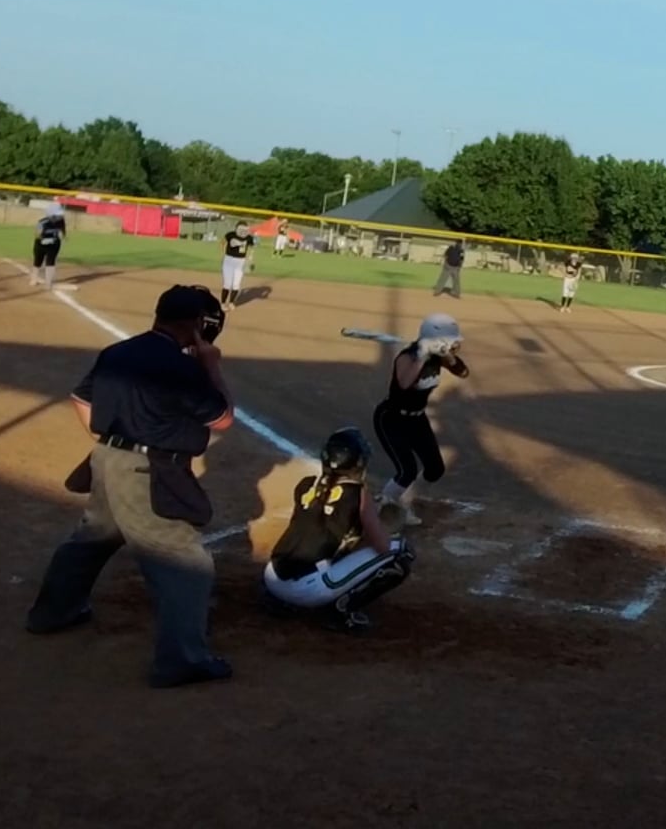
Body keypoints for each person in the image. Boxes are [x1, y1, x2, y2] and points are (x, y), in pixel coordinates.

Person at [24, 284, 237, 689]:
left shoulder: (118, 352)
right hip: (147, 471)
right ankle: (182, 661)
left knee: (91, 539)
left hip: (105, 460)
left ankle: (52, 614)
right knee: (185, 563)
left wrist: (111, 441)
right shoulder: (182, 367)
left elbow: (80, 399)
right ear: (196, 324)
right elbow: (222, 418)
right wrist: (211, 365)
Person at [263, 427, 414, 632]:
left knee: (319, 542)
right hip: (307, 590)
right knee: (401, 551)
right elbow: (383, 546)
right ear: (358, 463)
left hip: (272, 578)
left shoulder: (306, 485)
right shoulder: (359, 494)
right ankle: (342, 610)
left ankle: (276, 600)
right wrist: (376, 522)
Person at [373, 313, 470, 526]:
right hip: (391, 419)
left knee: (435, 469)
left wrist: (448, 357)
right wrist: (423, 356)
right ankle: (384, 507)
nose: (453, 344)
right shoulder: (407, 357)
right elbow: (404, 383)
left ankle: (403, 502)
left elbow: (463, 372)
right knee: (406, 470)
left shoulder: (439, 357)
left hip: (417, 419)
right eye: (449, 340)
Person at [29, 200, 67, 290]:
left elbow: (63, 229)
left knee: (51, 262)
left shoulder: (61, 221)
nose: (58, 217)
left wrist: (63, 236)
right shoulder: (42, 222)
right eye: (56, 215)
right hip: (41, 244)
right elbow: (37, 234)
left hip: (54, 244)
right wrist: (44, 240)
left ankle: (48, 282)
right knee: (38, 261)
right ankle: (34, 279)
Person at [218, 220, 255, 310]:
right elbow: (222, 242)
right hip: (229, 260)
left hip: (241, 261)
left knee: (236, 284)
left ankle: (231, 302)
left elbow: (251, 247)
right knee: (227, 284)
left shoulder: (249, 237)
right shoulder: (231, 235)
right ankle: (223, 303)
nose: (243, 231)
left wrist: (250, 258)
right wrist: (223, 254)